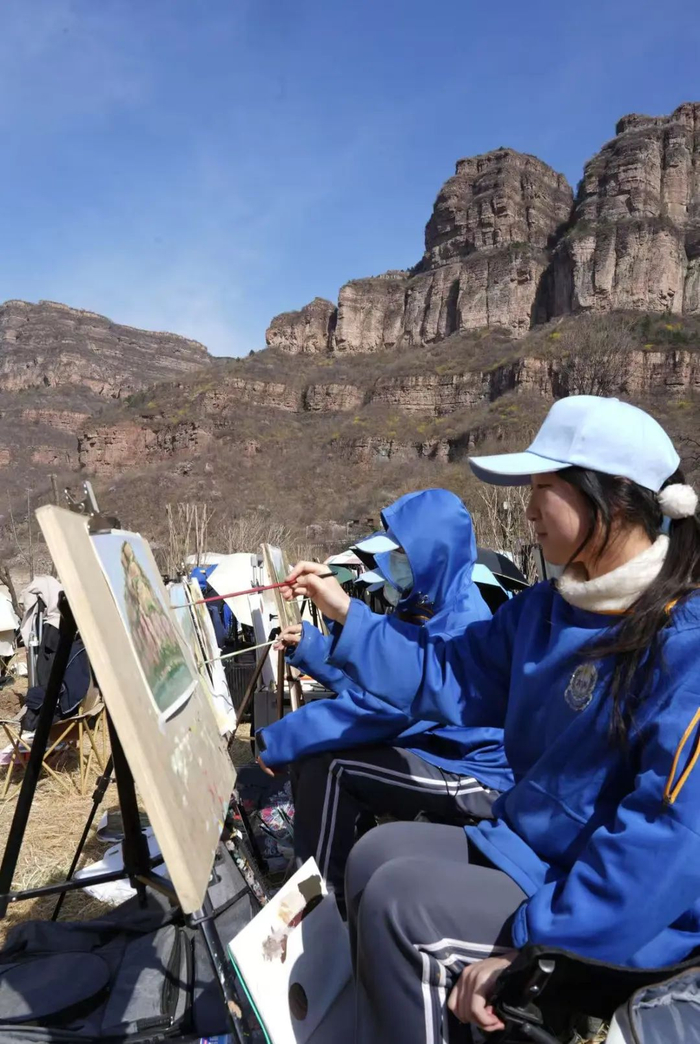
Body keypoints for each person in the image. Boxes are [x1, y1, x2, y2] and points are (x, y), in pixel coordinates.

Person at [282, 396, 700, 1044]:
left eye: (544, 488)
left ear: (614, 500)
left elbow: (671, 837)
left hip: (623, 906)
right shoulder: (545, 611)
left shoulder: (682, 642)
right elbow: (444, 674)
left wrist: (541, 940)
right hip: (539, 850)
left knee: (401, 906)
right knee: (373, 856)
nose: (529, 509)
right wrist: (345, 614)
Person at [256, 489, 514, 908]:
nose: (395, 562)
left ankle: (320, 908)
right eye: (393, 550)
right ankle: (323, 882)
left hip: (476, 771)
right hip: (437, 751)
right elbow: (375, 681)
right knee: (318, 758)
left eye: (403, 552)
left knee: (330, 765)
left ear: (434, 554)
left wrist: (282, 738)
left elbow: (387, 707)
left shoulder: (463, 620)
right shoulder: (423, 609)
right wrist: (313, 650)